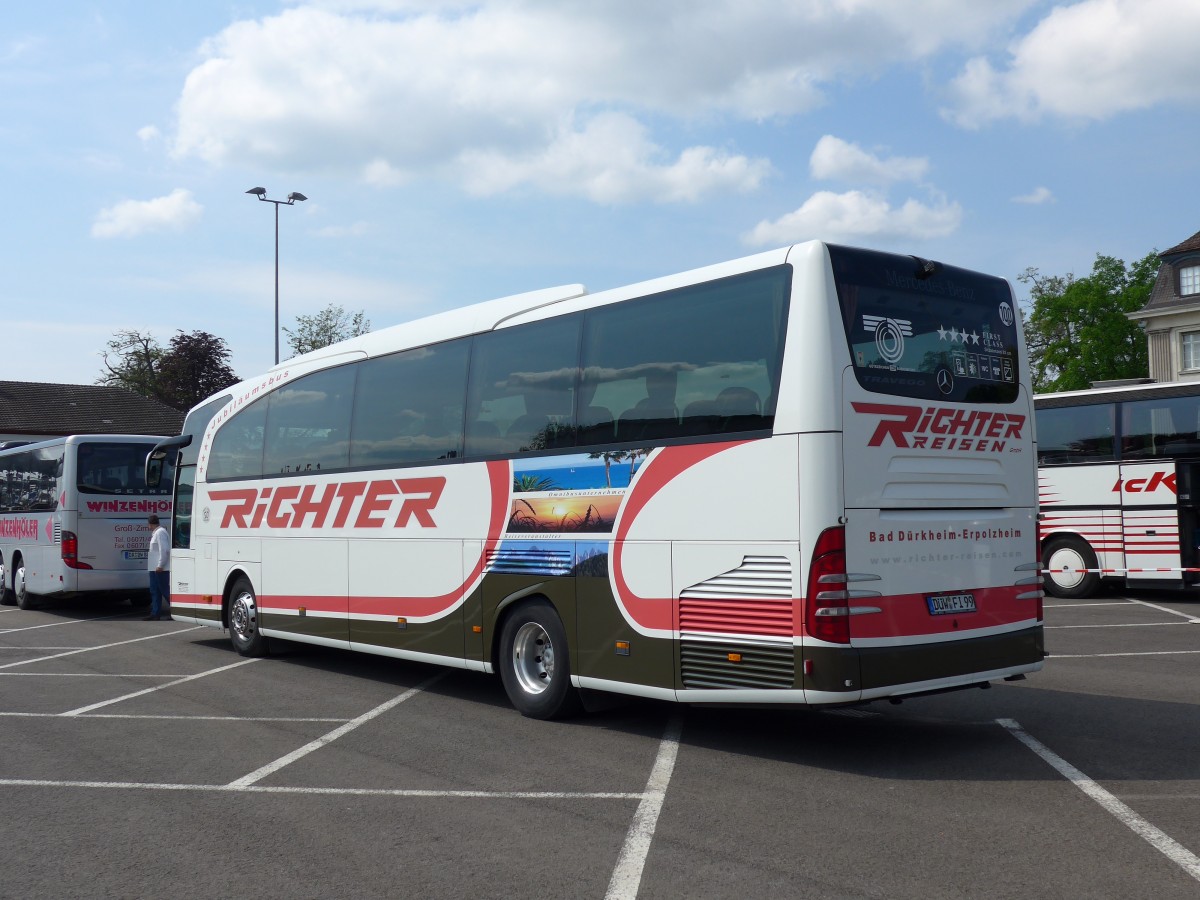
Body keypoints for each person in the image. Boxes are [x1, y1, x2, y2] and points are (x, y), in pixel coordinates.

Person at [144, 513, 170, 621]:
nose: (148, 527)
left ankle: (176, 610)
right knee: (155, 590)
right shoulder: (157, 533)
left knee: (164, 590)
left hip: (160, 568)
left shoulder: (160, 533)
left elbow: (164, 550)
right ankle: (155, 613)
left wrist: (160, 565)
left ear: (151, 524)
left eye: (148, 524)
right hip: (154, 567)